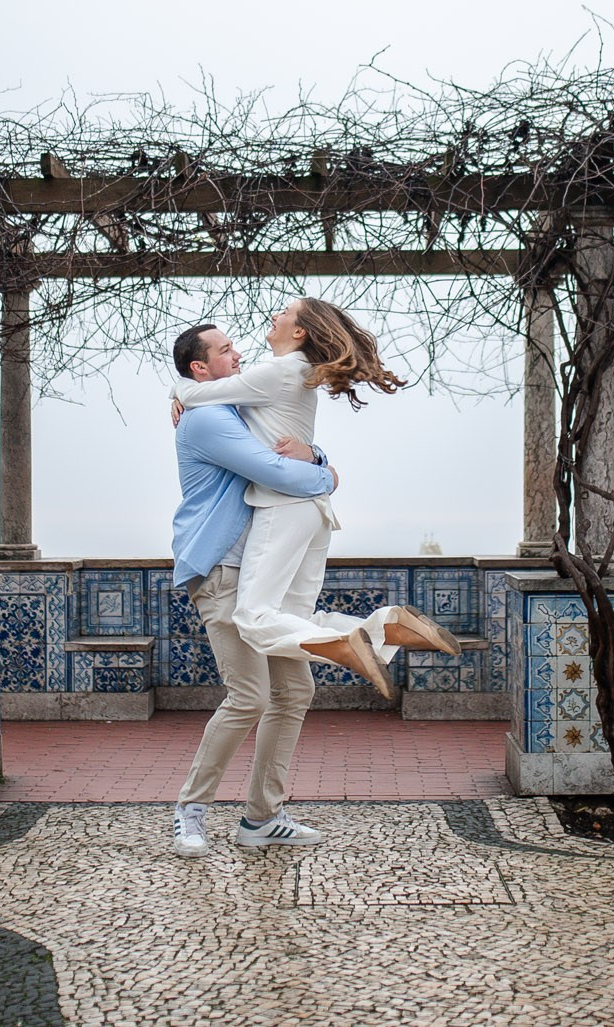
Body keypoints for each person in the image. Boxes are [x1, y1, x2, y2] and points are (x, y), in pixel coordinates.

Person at [170, 299, 461, 699]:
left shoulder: (277, 371)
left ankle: (353, 644)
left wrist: (179, 390)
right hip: (314, 514)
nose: (274, 315)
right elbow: (222, 399)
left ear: (300, 331)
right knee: (293, 617)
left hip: (284, 505)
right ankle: (386, 627)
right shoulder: (299, 373)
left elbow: (203, 393)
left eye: (284, 312)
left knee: (253, 618)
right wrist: (321, 464)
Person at [167, 321, 340, 856]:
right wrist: (329, 476)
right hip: (222, 572)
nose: (238, 354)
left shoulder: (235, 407)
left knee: (295, 691)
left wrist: (315, 454)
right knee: (249, 695)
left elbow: (287, 444)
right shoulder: (207, 422)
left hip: (260, 577)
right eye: (224, 350)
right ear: (200, 368)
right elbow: (275, 471)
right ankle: (191, 809)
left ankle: (262, 816)